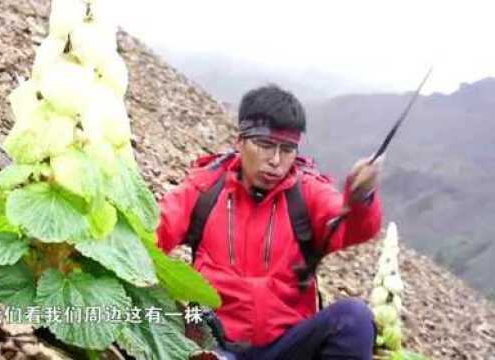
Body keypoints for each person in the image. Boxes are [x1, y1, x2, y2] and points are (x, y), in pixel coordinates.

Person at [157, 84, 384, 360]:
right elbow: (157, 230)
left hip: (288, 345)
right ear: (240, 141)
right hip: (215, 343)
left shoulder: (307, 193)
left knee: (354, 318)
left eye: (287, 149)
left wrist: (361, 197)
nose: (276, 161)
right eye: (264, 145)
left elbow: (353, 227)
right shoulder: (205, 189)